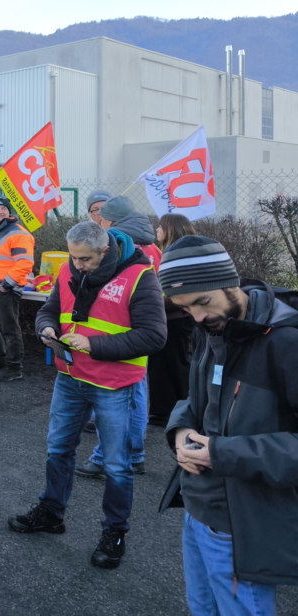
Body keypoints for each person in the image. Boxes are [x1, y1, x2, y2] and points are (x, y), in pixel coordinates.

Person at [10, 221, 166, 570]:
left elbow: (154, 337)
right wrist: (46, 328)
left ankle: (115, 532)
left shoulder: (140, 276)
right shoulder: (70, 267)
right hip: (70, 378)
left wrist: (94, 345)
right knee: (58, 449)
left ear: (106, 251)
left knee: (117, 464)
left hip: (115, 384)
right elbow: (50, 310)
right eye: (74, 257)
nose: (78, 265)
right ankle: (51, 512)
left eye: (86, 259)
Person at [158, 236, 298, 615]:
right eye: (185, 308)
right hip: (197, 511)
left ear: (230, 283)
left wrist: (221, 453)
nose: (197, 317)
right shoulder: (211, 328)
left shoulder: (287, 342)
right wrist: (180, 431)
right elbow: (196, 399)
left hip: (243, 524)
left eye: (203, 301)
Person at [76, 195, 162, 478]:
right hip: (139, 330)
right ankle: (134, 455)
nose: (97, 220)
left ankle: (107, 457)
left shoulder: (120, 245)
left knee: (119, 401)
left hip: (119, 334)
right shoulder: (151, 245)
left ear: (110, 219)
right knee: (137, 395)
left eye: (100, 215)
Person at [0, 197, 35, 381]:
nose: (0, 211)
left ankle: (14, 367)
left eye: (3, 208)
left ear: (9, 212)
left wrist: (6, 285)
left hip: (5, 289)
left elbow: (25, 263)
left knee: (9, 329)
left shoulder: (19, 233)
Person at [147, 213, 197, 427]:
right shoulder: (171, 254)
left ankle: (173, 413)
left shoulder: (178, 257)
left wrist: (152, 304)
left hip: (176, 320)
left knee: (174, 366)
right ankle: (163, 411)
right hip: (169, 318)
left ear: (170, 230)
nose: (157, 230)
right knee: (162, 366)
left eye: (160, 226)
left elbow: (179, 293)